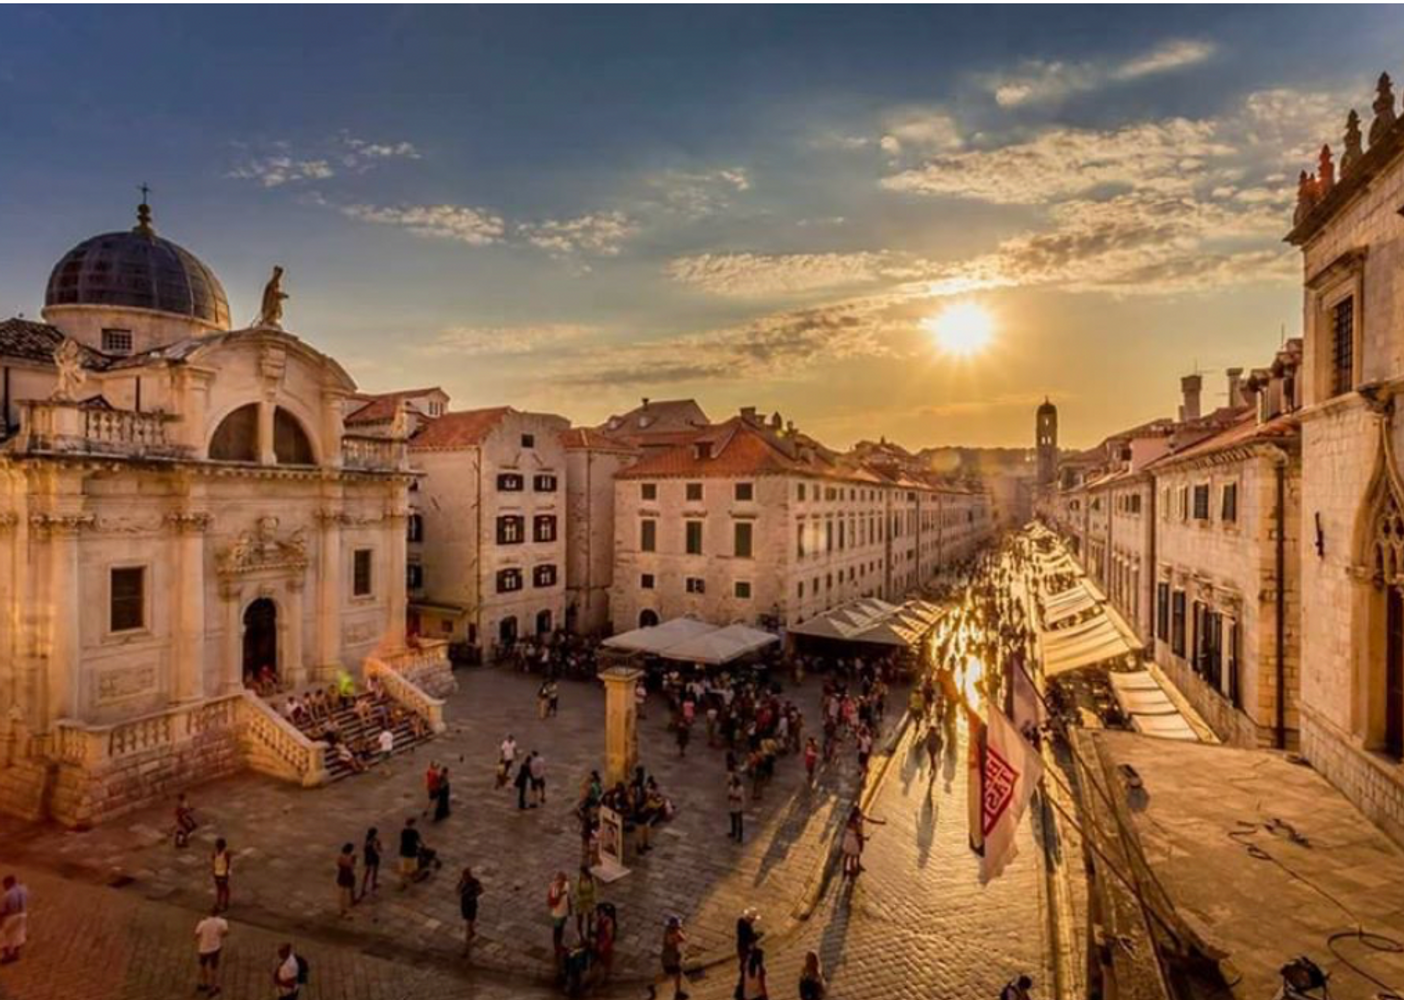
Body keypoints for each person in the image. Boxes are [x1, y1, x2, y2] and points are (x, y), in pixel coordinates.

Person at [194, 905, 229, 995]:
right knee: (214, 968)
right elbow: (225, 932)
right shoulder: (222, 922)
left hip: (203, 948)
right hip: (215, 947)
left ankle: (205, 983)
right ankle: (214, 987)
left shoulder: (203, 923)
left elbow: (197, 934)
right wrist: (219, 935)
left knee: (203, 966)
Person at [0, 875, 29, 965]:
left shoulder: (8, 894)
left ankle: (7, 955)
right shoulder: (23, 890)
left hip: (12, 916)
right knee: (18, 934)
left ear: (8, 883)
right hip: (23, 914)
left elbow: (3, 910)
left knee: (3, 935)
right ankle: (16, 953)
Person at [456, 866, 483, 956]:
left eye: (466, 875)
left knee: (468, 924)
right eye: (464, 875)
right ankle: (472, 931)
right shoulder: (462, 881)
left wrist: (473, 896)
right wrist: (459, 891)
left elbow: (481, 890)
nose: (465, 877)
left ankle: (466, 948)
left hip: (471, 905)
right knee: (468, 922)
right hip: (464, 904)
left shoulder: (474, 882)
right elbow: (457, 889)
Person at [661, 915, 688, 1000]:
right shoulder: (669, 934)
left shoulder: (674, 932)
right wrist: (677, 935)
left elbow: (683, 939)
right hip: (669, 958)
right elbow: (672, 942)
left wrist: (678, 932)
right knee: (675, 974)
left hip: (672, 957)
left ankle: (678, 992)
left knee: (676, 974)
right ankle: (677, 993)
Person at [547, 871, 572, 957]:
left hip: (564, 912)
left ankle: (560, 944)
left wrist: (570, 909)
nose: (561, 883)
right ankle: (556, 947)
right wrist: (560, 895)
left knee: (561, 929)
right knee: (556, 931)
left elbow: (568, 897)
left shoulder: (567, 885)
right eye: (560, 880)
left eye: (563, 880)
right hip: (557, 914)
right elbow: (552, 903)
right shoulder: (554, 888)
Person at [398, 818, 422, 887]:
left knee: (403, 868)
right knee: (413, 867)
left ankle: (403, 883)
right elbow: (418, 840)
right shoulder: (414, 832)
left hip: (403, 851)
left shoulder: (403, 831)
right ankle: (413, 878)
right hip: (412, 852)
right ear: (413, 824)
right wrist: (423, 845)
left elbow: (402, 840)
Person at [335, 843, 357, 917]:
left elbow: (338, 864)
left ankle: (342, 909)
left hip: (342, 874)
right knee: (350, 889)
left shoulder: (340, 856)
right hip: (348, 874)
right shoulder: (352, 857)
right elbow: (352, 866)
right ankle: (351, 902)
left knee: (342, 892)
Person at [211, 838, 232, 912]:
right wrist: (213, 872)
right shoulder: (214, 854)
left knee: (224, 887)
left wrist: (226, 874)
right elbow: (213, 863)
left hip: (223, 873)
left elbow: (228, 864)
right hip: (217, 872)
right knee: (219, 888)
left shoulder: (226, 854)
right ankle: (219, 902)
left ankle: (225, 902)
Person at [361, 827, 382, 898]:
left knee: (367, 873)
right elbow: (378, 849)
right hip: (373, 858)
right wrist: (379, 846)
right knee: (374, 872)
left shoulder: (367, 839)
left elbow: (365, 848)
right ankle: (373, 886)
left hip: (368, 858)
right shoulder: (375, 841)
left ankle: (363, 888)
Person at [727, 772, 745, 843]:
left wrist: (734, 797)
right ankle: (733, 832)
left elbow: (741, 798)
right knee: (733, 820)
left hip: (739, 807)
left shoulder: (741, 789)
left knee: (739, 822)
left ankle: (740, 836)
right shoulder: (731, 788)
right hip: (732, 806)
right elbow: (729, 796)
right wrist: (730, 797)